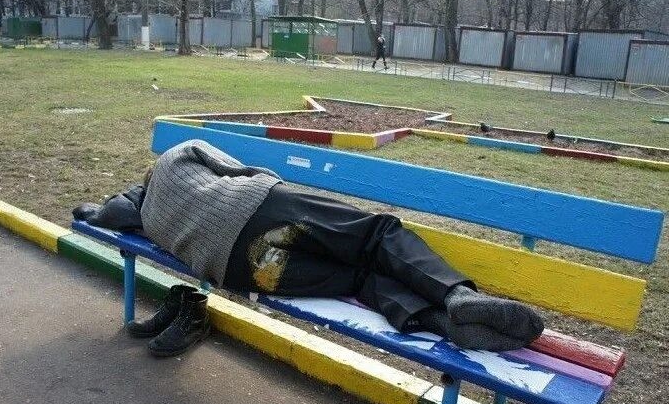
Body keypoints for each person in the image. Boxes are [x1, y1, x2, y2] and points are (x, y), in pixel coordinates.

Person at [73, 140, 544, 357]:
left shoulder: (147, 220)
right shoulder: (179, 154)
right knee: (375, 235)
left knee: (360, 281)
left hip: (241, 269)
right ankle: (455, 296)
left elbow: (99, 213)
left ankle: (438, 322)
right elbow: (248, 173)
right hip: (258, 209)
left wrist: (97, 211)